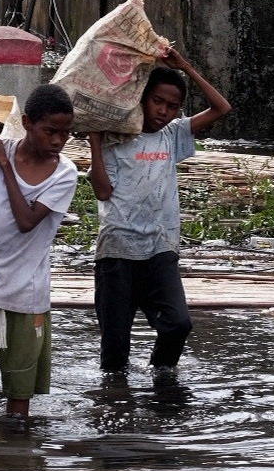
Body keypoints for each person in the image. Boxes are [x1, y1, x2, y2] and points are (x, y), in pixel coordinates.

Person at [88, 50, 231, 378]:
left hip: (159, 249)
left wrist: (185, 67)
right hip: (116, 251)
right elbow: (102, 192)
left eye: (172, 106)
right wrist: (95, 142)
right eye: (157, 102)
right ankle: (115, 411)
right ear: (142, 98)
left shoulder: (173, 134)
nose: (163, 111)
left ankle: (162, 383)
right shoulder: (116, 138)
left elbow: (221, 108)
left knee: (178, 325)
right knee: (114, 355)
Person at [0, 83, 78, 418]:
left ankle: (16, 461)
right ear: (28, 122)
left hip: (28, 289)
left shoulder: (64, 173)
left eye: (65, 134)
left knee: (20, 390)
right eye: (50, 131)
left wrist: (4, 166)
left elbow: (26, 221)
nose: (57, 141)